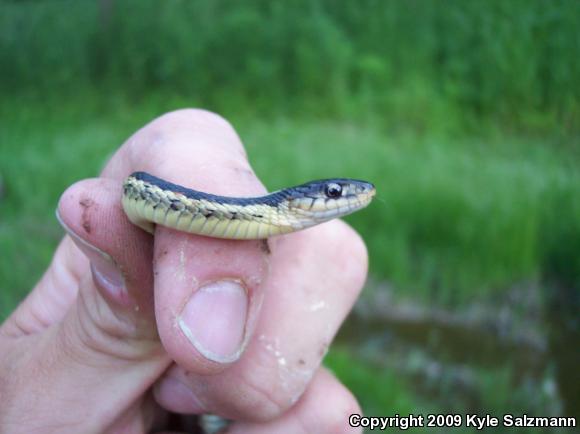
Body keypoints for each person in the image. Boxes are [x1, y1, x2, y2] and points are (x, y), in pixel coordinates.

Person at [0, 109, 368, 433]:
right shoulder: (260, 212)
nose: (345, 197)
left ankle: (207, 416)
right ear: (296, 199)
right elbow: (133, 194)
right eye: (334, 192)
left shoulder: (267, 221)